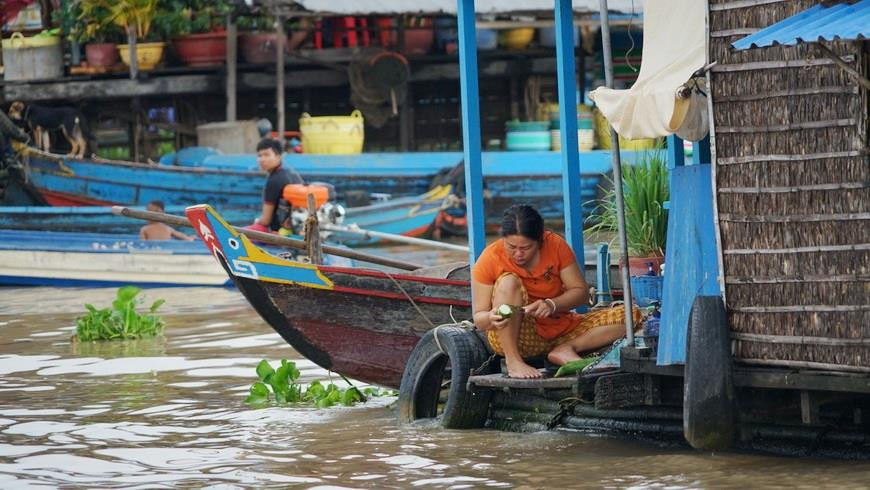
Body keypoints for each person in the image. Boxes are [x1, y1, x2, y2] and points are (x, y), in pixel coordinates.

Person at [471, 204, 639, 379]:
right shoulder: (490, 258)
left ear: (540, 240)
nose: (518, 254)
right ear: (503, 239)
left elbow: (581, 293)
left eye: (526, 248)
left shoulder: (555, 245)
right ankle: (513, 361)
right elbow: (479, 319)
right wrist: (491, 317)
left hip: (561, 330)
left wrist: (551, 305)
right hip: (517, 337)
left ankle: (566, 349)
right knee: (508, 283)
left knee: (632, 315)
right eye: (511, 247)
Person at [251, 137, 304, 232]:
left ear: (278, 156)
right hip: (295, 230)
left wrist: (257, 221)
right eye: (259, 155)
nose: (262, 159)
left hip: (279, 234)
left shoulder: (273, 181)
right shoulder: (292, 174)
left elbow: (266, 221)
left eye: (267, 155)